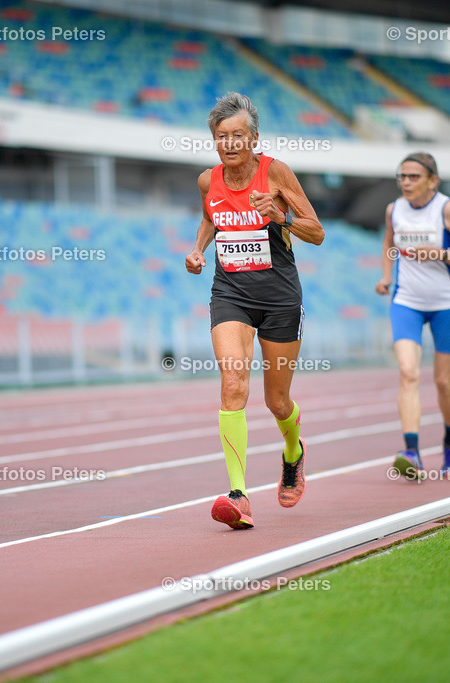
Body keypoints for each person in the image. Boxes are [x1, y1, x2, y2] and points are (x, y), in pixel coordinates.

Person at [185, 92, 325, 529]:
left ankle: (293, 453)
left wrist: (279, 217)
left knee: (276, 400)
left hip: (280, 299)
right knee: (232, 384)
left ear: (254, 137)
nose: (229, 144)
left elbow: (317, 232)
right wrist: (197, 250)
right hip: (230, 294)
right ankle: (238, 494)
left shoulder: (276, 172)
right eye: (222, 137)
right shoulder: (209, 180)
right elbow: (212, 215)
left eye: (237, 136)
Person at [376, 152, 450, 480]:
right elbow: (388, 244)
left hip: (447, 303)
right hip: (406, 301)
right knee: (408, 372)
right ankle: (412, 451)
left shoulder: (447, 208)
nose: (406, 182)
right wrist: (385, 276)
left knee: (443, 381)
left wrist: (439, 254)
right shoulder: (394, 210)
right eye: (401, 176)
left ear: (432, 180)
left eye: (414, 177)